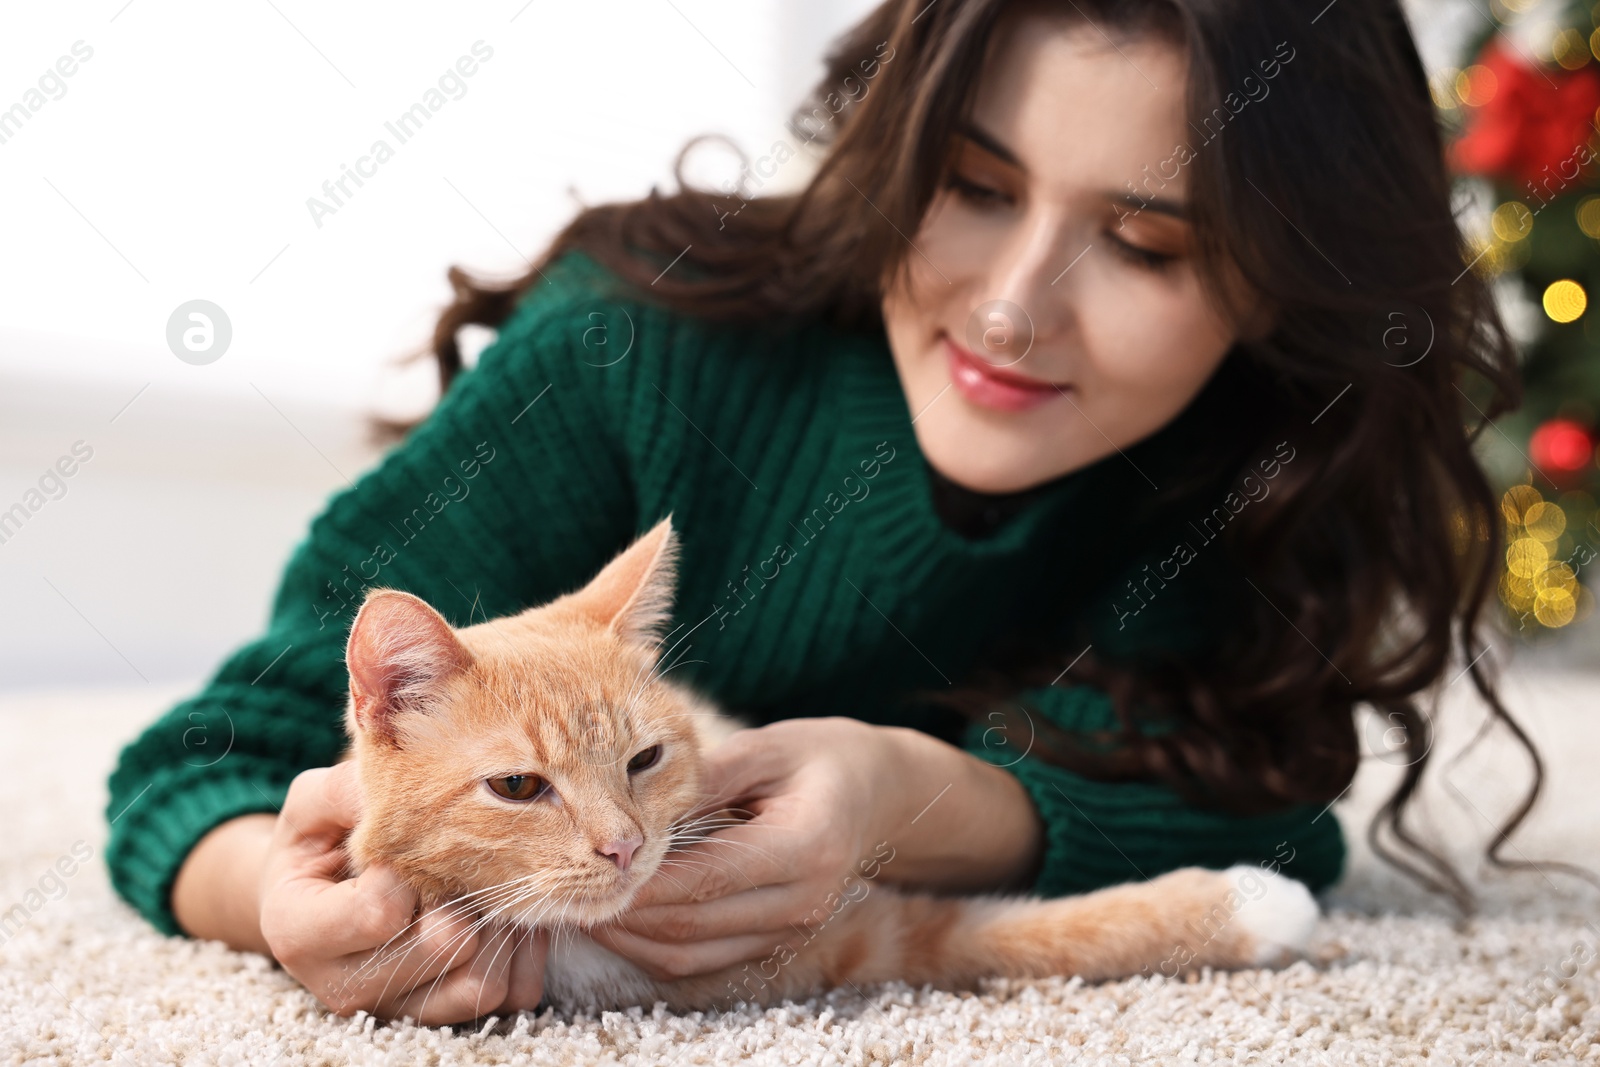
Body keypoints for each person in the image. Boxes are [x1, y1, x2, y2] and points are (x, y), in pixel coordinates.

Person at [105, 0, 1535, 1025]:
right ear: (894, 148)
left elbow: (1267, 814)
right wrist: (279, 907)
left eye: (1146, 243)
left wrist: (903, 798)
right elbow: (202, 762)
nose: (1011, 306)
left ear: (1285, 287)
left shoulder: (1228, 456)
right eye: (974, 186)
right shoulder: (627, 356)